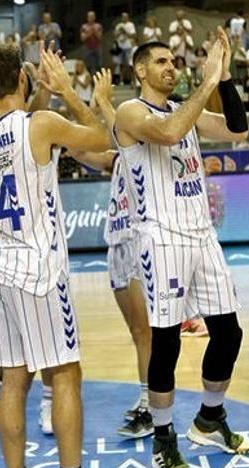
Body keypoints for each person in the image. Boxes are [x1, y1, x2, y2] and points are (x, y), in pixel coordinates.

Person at [0, 42, 113, 468]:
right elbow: (103, 137)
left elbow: (20, 123)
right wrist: (66, 89)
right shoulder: (40, 124)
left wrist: (3, 69)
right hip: (39, 268)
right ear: (22, 81)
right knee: (64, 372)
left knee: (13, 379)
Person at [114, 29, 249, 468]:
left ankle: (209, 420)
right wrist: (207, 82)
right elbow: (171, 132)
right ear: (139, 70)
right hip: (162, 236)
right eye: (161, 62)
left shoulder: (184, 108)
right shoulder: (130, 112)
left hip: (200, 233)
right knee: (167, 341)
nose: (171, 67)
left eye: (175, 62)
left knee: (228, 332)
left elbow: (237, 129)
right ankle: (163, 437)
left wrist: (226, 76)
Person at [67, 69, 154, 439]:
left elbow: (116, 129)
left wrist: (101, 101)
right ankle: (148, 395)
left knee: (146, 330)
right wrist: (68, 127)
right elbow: (83, 150)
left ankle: (152, 405)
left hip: (139, 241)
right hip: (116, 245)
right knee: (136, 331)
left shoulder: (142, 146)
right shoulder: (117, 159)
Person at [114, 12, 137, 85]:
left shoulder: (131, 25)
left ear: (128, 17)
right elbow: (115, 36)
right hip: (120, 47)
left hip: (128, 47)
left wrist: (125, 31)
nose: (124, 18)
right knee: (121, 64)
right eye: (123, 17)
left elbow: (133, 36)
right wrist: (120, 32)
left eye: (125, 17)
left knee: (130, 64)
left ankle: (132, 81)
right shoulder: (118, 25)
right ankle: (121, 81)